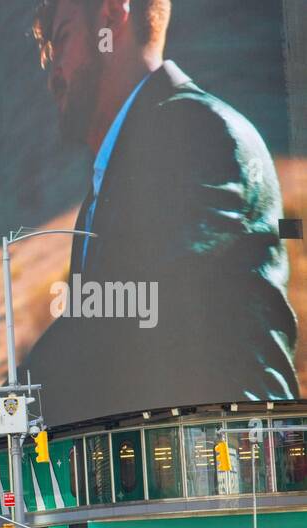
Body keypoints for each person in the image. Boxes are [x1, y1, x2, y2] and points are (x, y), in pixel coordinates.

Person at [22, 0, 299, 425]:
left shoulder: (194, 131)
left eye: (61, 41)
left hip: (225, 464)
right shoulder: (105, 185)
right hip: (151, 460)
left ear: (112, 17)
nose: (52, 74)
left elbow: (125, 314)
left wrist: (5, 402)